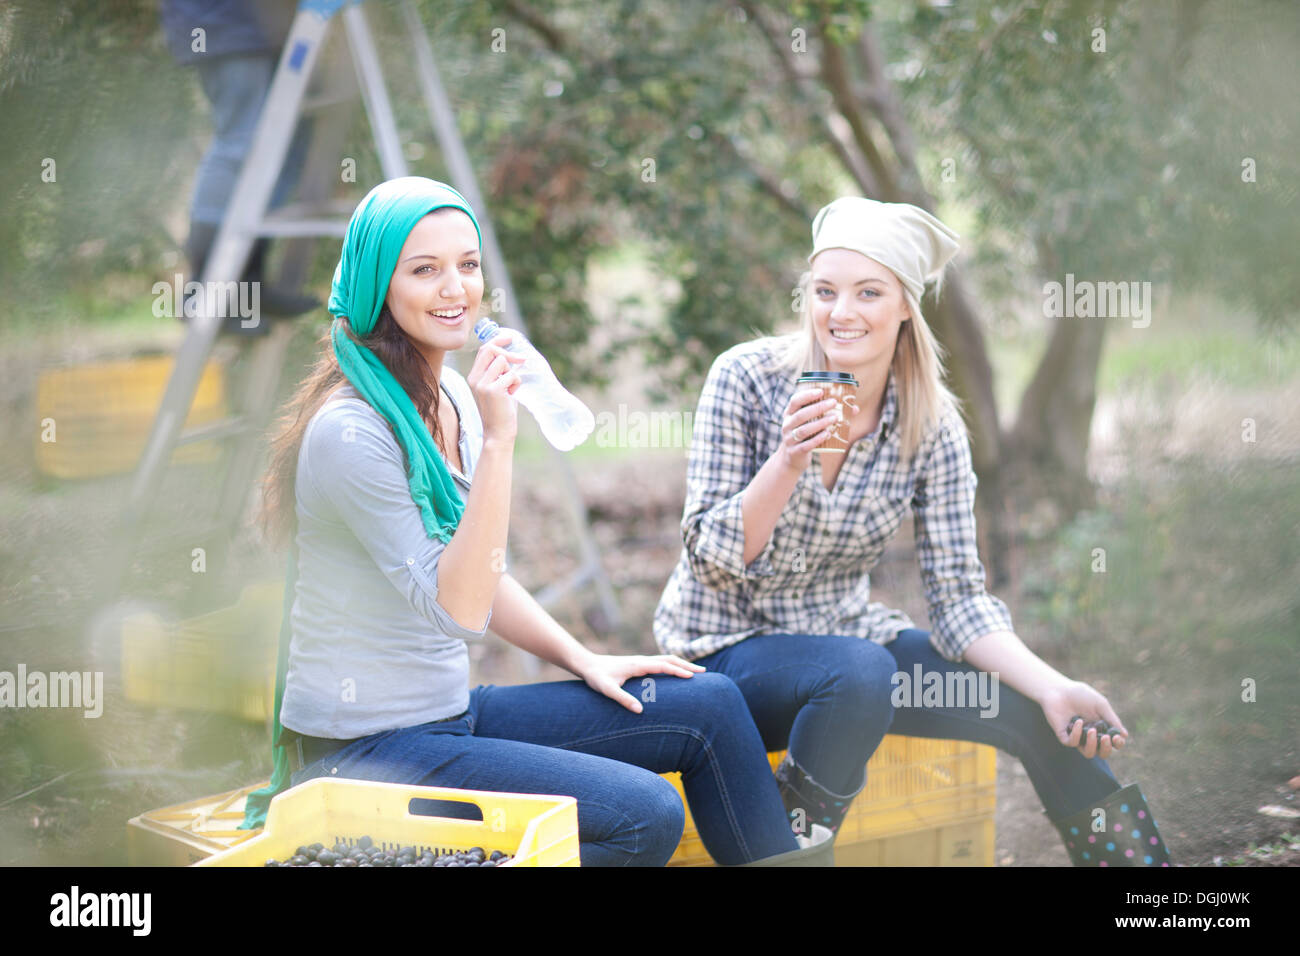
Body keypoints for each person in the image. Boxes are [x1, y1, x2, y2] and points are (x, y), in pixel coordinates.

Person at [248, 176, 809, 866]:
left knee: (710, 706)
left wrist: (584, 658)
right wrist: (500, 441)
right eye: (425, 270)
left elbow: (482, 575)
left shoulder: (446, 392)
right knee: (643, 816)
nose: (456, 288)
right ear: (376, 288)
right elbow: (459, 608)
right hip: (363, 753)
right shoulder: (351, 432)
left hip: (445, 716)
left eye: (467, 264)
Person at [653, 196, 1172, 866]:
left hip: (845, 653)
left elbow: (958, 601)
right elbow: (709, 562)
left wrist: (1050, 686)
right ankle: (787, 853)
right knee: (861, 671)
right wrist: (786, 462)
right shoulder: (746, 380)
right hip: (724, 659)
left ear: (905, 305)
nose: (842, 313)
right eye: (825, 291)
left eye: (869, 292)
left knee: (1029, 710)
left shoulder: (931, 425)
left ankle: (1149, 887)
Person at [160, 0, 320, 330]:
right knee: (241, 143)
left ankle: (248, 283)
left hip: (261, 24)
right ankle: (203, 287)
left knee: (286, 146)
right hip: (223, 22)